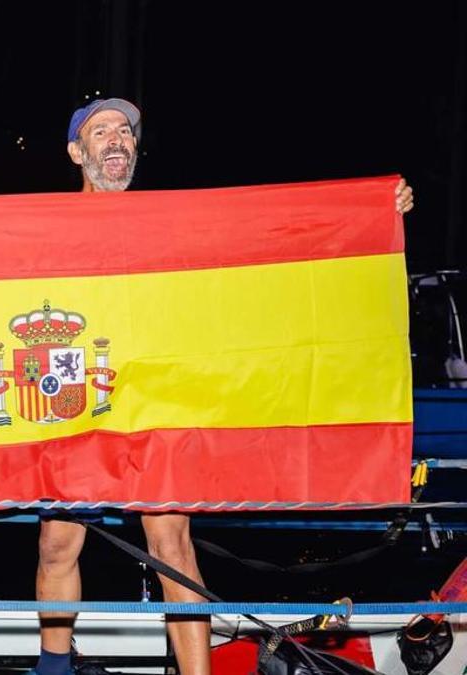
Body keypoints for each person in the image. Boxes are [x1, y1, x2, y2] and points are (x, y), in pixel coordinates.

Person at [32, 97, 416, 675]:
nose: (116, 139)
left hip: (157, 402)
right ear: (75, 151)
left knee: (172, 550)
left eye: (125, 131)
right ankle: (53, 668)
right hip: (78, 398)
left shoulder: (176, 221)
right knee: (58, 547)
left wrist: (369, 211)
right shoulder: (39, 227)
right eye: (101, 130)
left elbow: (274, 231)